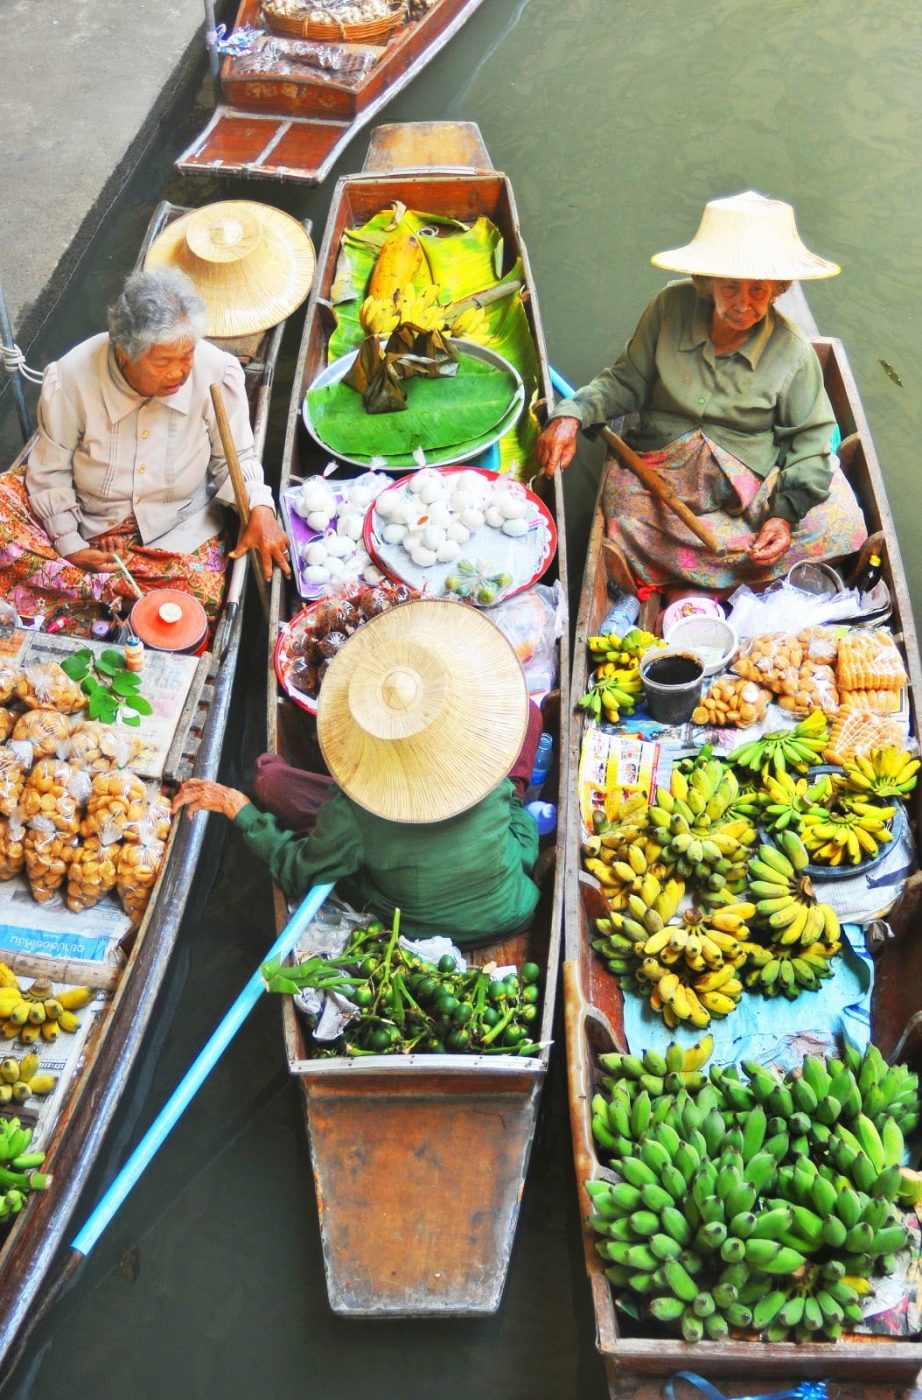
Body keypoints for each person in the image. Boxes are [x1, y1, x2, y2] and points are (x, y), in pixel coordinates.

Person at [536, 191, 867, 590]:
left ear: (778, 288)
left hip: (750, 475)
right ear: (706, 282)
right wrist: (573, 413)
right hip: (665, 467)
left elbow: (810, 442)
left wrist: (782, 516)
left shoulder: (793, 353)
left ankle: (689, 575)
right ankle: (737, 577)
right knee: (622, 512)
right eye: (730, 287)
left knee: (845, 523)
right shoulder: (669, 307)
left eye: (758, 290)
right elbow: (626, 381)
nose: (743, 304)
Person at [173, 599, 546, 946]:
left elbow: (299, 869)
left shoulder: (354, 812)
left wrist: (241, 809)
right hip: (513, 910)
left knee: (269, 779)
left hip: (416, 926)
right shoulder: (485, 757)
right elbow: (513, 821)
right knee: (527, 713)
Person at [0, 265, 291, 632]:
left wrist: (259, 506)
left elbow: (235, 458)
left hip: (176, 531)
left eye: (186, 356)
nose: (179, 373)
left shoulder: (216, 372)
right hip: (91, 524)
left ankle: (84, 600)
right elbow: (51, 468)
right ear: (124, 352)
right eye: (164, 362)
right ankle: (113, 600)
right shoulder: (72, 377)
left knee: (199, 599)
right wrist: (70, 542)